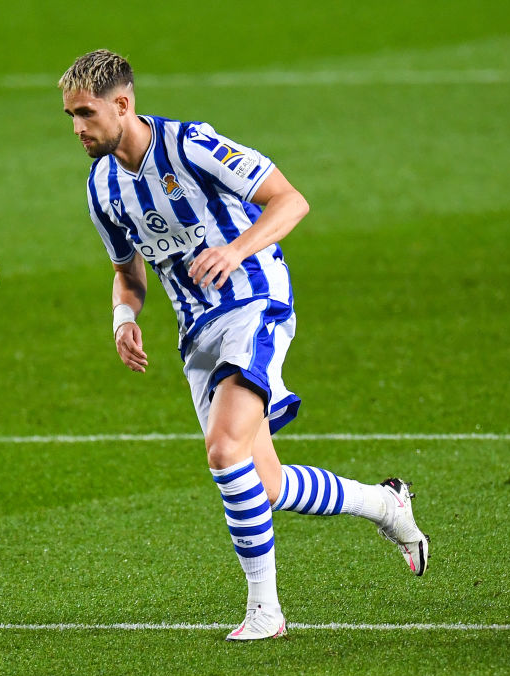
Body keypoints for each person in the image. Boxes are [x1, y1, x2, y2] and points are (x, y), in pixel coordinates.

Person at [58, 49, 429, 641]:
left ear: (122, 104)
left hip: (254, 302)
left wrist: (237, 249)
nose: (77, 128)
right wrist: (124, 319)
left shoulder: (192, 146)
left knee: (224, 451)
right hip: (196, 330)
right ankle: (386, 505)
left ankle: (266, 611)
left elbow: (290, 200)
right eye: (70, 116)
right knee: (268, 484)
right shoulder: (102, 187)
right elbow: (127, 271)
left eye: (85, 113)